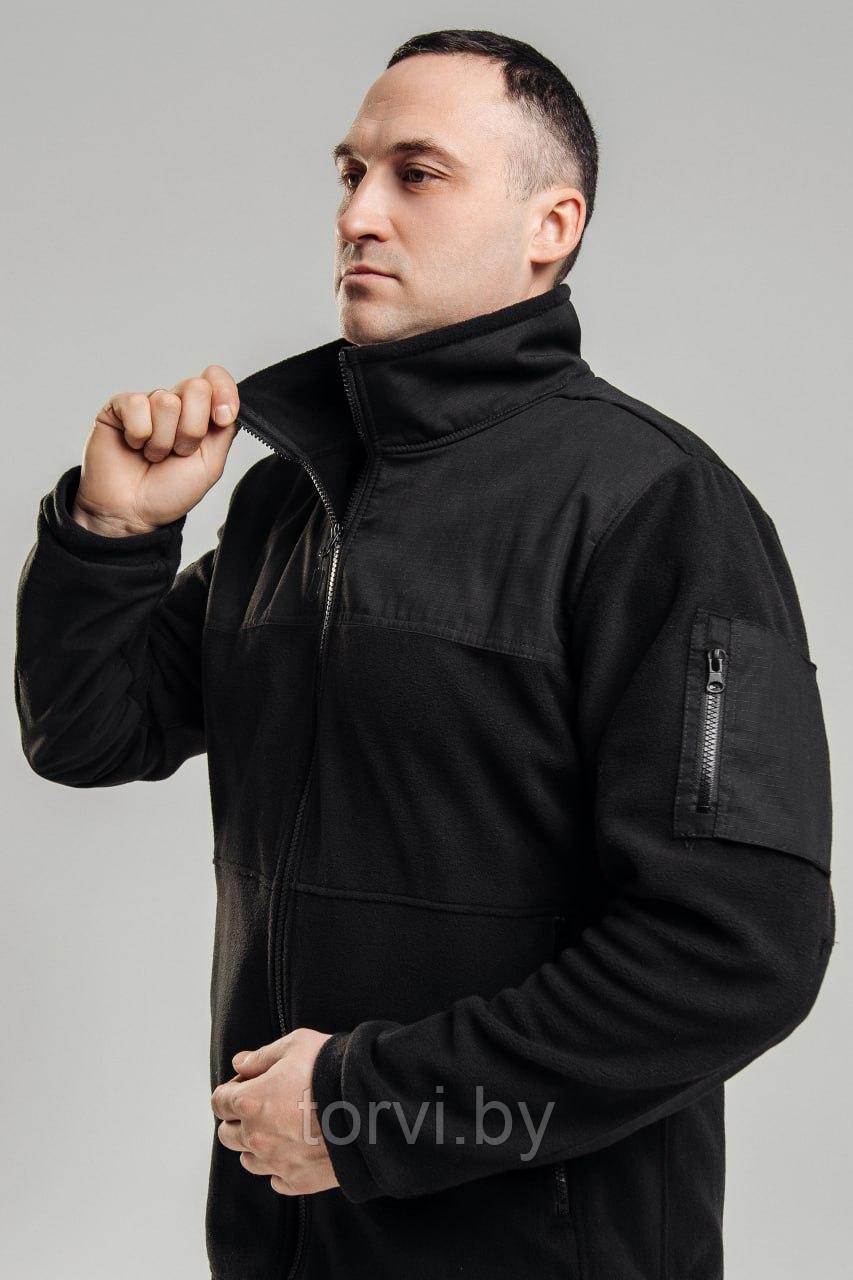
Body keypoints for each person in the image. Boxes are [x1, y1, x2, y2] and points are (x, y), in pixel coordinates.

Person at [14, 27, 835, 1280]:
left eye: (417, 172)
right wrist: (111, 532)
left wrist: (369, 1107)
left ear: (550, 224)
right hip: (282, 1239)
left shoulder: (654, 507)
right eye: (350, 173)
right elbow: (86, 731)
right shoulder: (290, 502)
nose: (358, 211)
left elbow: (735, 950)